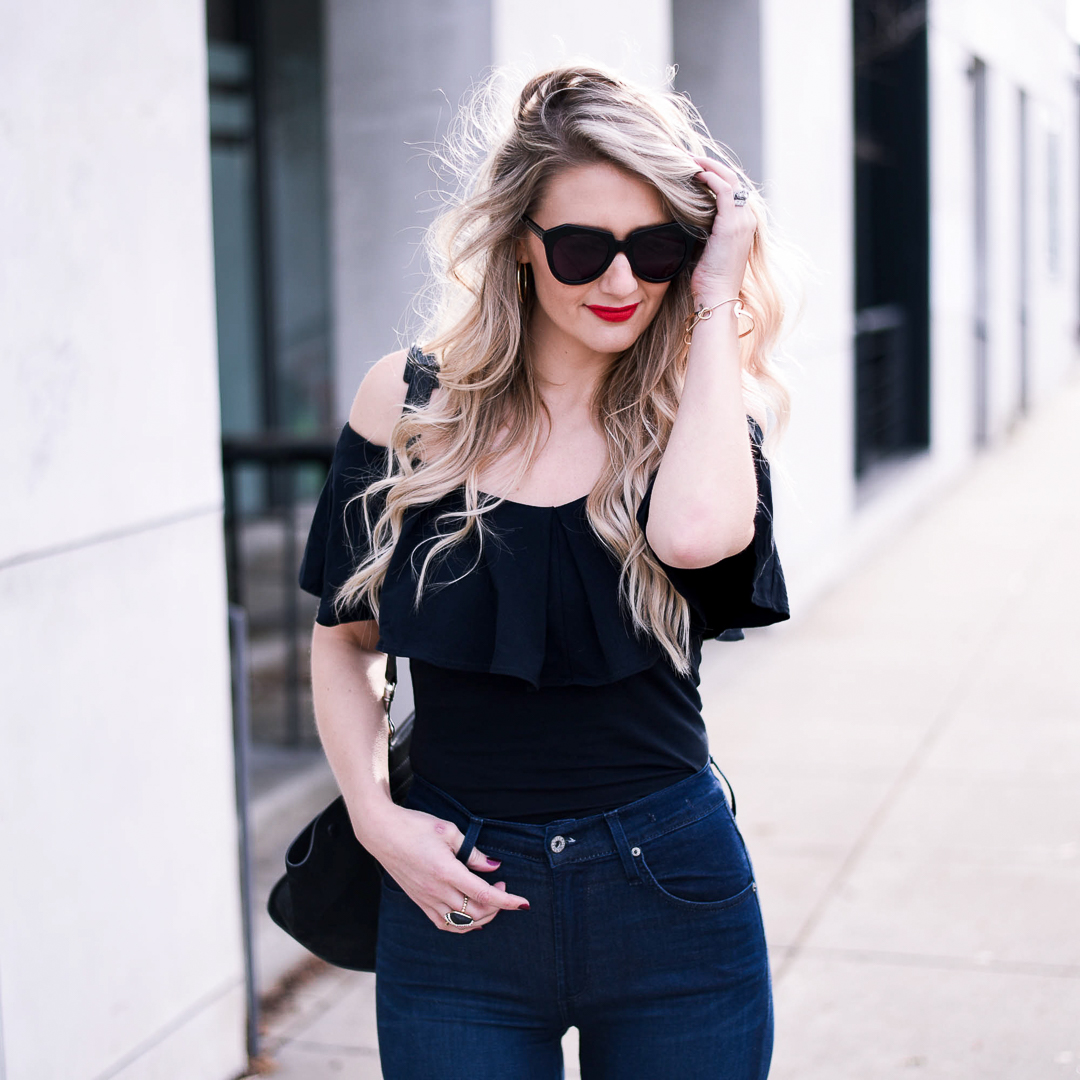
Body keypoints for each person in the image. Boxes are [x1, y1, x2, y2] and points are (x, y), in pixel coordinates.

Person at [299, 65, 790, 1080]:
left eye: (653, 249)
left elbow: (697, 538)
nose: (620, 283)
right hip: (458, 892)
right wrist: (374, 817)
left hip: (671, 895)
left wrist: (711, 304)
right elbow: (342, 644)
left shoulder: (697, 422)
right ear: (521, 248)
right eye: (582, 248)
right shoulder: (408, 402)